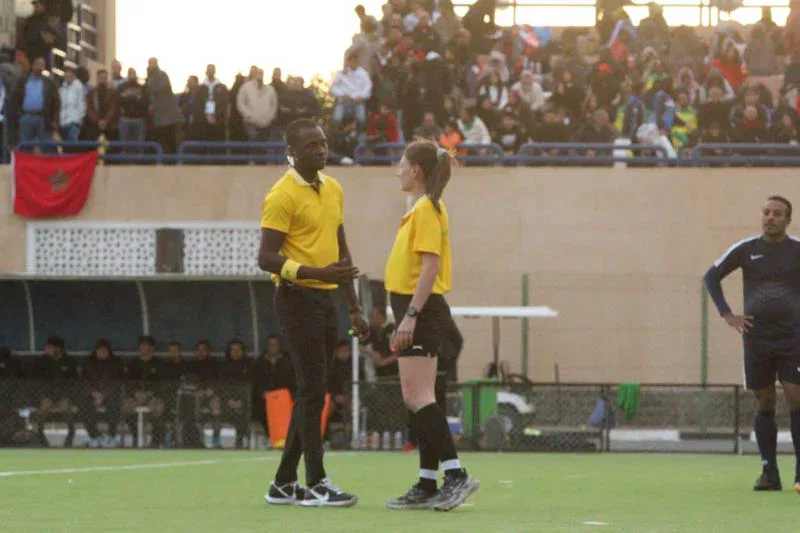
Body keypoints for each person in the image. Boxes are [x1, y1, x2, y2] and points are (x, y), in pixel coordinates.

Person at [258, 117, 369, 507]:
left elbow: (341, 250)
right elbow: (266, 258)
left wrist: (354, 306)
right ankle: (316, 482)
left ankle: (283, 483)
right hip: (296, 298)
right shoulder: (281, 195)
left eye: (323, 143)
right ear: (292, 152)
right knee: (313, 390)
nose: (321, 150)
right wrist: (316, 273)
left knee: (313, 391)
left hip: (326, 300)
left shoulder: (334, 188)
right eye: (312, 146)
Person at [384, 141, 479, 511]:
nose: (397, 170)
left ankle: (456, 475)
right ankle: (427, 482)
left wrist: (410, 315)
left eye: (402, 163)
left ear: (416, 170)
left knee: (418, 396)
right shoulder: (422, 208)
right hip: (416, 310)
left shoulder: (426, 209)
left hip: (421, 311)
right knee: (418, 397)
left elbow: (430, 267)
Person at [704, 196, 800, 493]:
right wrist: (727, 314)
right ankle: (769, 472)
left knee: (795, 396)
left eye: (777, 214)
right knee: (765, 400)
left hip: (793, 338)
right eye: (766, 212)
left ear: (788, 219)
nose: (770, 217)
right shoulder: (746, 249)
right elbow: (711, 276)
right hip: (757, 339)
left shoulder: (797, 250)